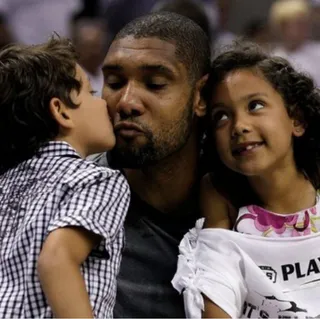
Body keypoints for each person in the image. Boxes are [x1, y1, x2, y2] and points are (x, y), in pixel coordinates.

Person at [172, 42, 320, 318]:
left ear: (296, 119)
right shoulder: (220, 196)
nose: (239, 125)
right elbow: (216, 279)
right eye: (221, 117)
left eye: (255, 105)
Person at [0, 36, 130, 318]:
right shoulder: (97, 180)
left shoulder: (4, 184)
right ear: (61, 111)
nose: (104, 104)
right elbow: (57, 259)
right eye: (91, 92)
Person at [97, 11, 211, 317]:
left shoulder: (249, 205)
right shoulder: (69, 199)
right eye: (115, 82)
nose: (126, 102)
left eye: (156, 83)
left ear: (200, 96)